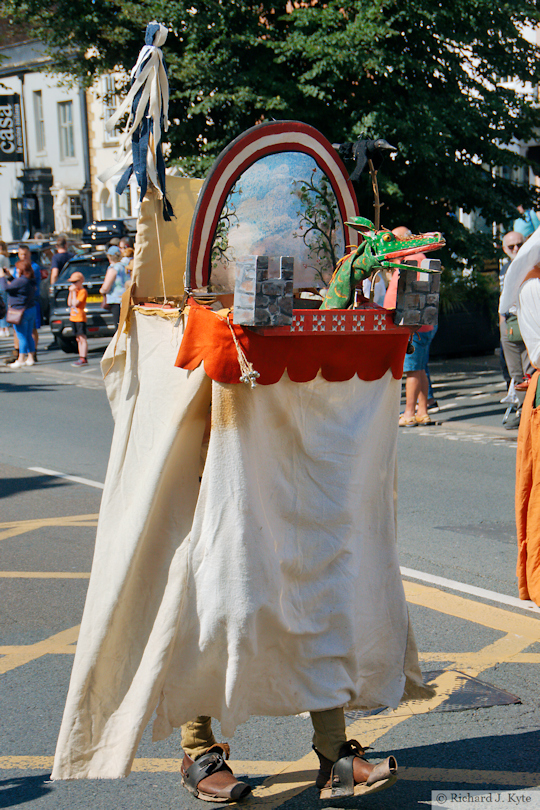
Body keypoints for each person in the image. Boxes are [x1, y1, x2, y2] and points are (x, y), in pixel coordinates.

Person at [384, 226, 437, 427]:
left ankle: (409, 412)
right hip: (416, 322)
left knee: (413, 369)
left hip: (413, 324)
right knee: (419, 369)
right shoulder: (413, 258)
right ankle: (421, 411)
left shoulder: (413, 259)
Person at [499, 231, 533, 428]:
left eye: (519, 244)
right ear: (504, 249)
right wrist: (502, 323)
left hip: (527, 320)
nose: (516, 249)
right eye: (511, 247)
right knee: (515, 373)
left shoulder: (530, 265)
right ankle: (522, 410)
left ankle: (529, 412)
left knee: (530, 372)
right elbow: (502, 298)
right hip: (509, 324)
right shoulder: (504, 268)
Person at [5, 259, 36, 367]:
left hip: (20, 312)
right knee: (28, 335)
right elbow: (16, 285)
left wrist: (1, 277)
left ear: (21, 270)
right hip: (30, 309)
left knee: (21, 336)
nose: (16, 270)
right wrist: (9, 276)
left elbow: (7, 288)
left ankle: (21, 358)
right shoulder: (29, 280)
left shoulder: (21, 280)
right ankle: (31, 357)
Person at [17, 245, 41, 362]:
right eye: (21, 254)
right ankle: (19, 352)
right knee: (19, 330)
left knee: (32, 329)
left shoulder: (34, 268)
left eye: (25, 254)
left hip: (31, 301)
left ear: (29, 254)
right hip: (19, 303)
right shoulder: (18, 267)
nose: (23, 257)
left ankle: (33, 352)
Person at [100, 246, 127, 328]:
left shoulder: (113, 268)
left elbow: (105, 287)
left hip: (116, 301)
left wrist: (101, 291)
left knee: (119, 327)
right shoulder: (125, 266)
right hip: (126, 299)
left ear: (109, 257)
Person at [67, 271, 88, 367]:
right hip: (73, 317)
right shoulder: (75, 292)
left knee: (82, 337)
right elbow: (69, 303)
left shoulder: (82, 292)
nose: (73, 284)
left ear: (81, 281)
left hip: (80, 317)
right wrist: (71, 293)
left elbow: (76, 303)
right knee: (78, 338)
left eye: (75, 282)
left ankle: (83, 357)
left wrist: (73, 293)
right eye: (72, 282)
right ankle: (81, 356)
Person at [0, 240, 10, 337]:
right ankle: (6, 328)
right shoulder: (6, 257)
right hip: (5, 282)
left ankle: (2, 328)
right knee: (4, 306)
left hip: (0, 282)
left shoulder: (1, 257)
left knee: (0, 306)